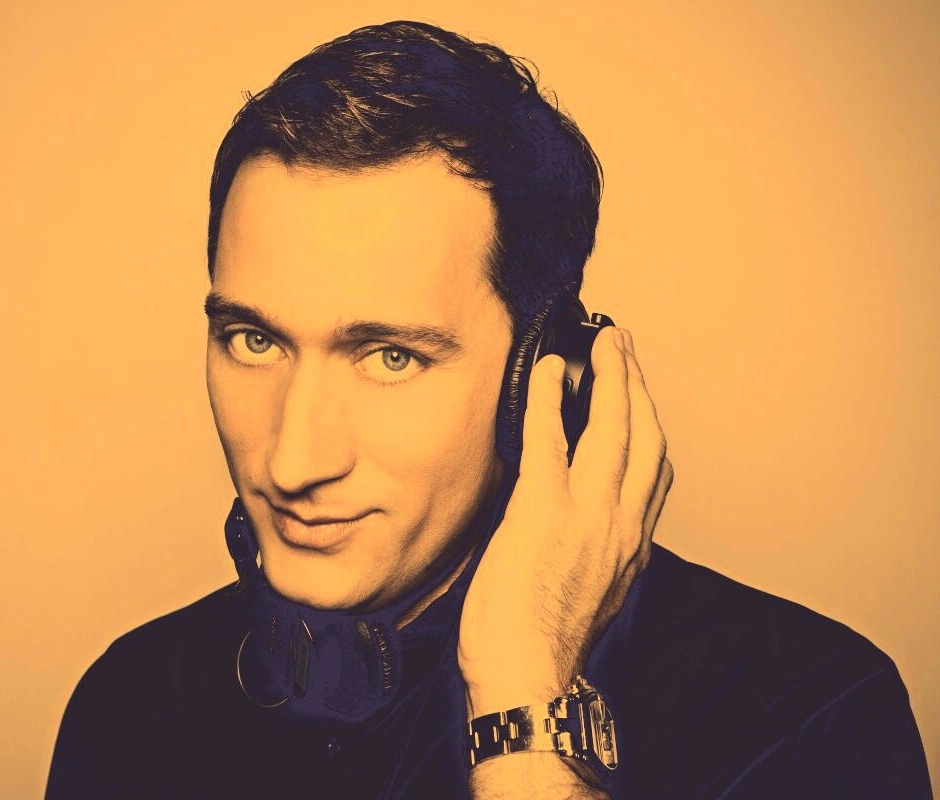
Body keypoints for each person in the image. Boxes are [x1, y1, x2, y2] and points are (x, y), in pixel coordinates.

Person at [46, 20, 931, 799]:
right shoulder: (127, 705)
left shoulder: (809, 715)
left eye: (391, 357)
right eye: (254, 340)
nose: (291, 462)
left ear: (546, 378)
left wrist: (527, 702)